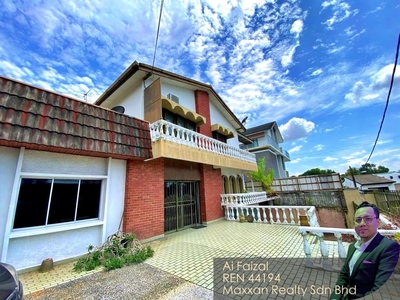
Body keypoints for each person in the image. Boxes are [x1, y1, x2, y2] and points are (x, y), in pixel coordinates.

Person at [330, 201, 400, 299]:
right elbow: (344, 275)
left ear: (378, 223)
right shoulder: (352, 247)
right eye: (358, 220)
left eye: (368, 219)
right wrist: (334, 297)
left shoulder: (388, 248)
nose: (362, 223)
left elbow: (380, 289)